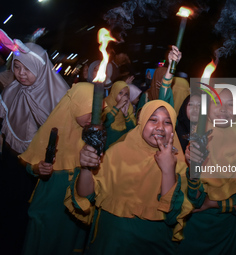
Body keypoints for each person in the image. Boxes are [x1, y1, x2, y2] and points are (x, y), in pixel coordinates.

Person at [70, 100, 192, 254]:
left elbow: (172, 215)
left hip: (153, 246)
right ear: (141, 122)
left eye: (167, 122)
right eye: (153, 120)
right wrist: (86, 167)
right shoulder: (116, 153)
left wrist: (168, 170)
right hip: (109, 243)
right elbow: (85, 195)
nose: (160, 127)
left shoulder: (178, 165)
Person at [0, 41, 69, 254]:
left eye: (28, 68)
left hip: (39, 167)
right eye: (18, 67)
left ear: (40, 67)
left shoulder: (59, 95)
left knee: (27, 213)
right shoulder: (13, 89)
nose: (21, 73)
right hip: (12, 161)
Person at [178, 88, 236, 254]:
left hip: (226, 234)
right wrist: (193, 168)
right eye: (216, 102)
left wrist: (213, 203)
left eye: (231, 104)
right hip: (190, 231)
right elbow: (186, 199)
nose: (224, 109)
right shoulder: (193, 141)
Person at [18, 82, 96, 255]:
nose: (92, 117)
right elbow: (28, 161)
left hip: (75, 208)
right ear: (75, 105)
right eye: (88, 110)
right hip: (49, 203)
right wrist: (39, 168)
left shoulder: (92, 134)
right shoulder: (53, 128)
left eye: (95, 112)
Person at [136, 46, 182, 113]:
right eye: (162, 79)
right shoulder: (146, 96)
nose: (163, 82)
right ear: (156, 79)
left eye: (165, 79)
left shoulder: (170, 95)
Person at [102, 81, 136, 149]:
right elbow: (105, 123)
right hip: (109, 145)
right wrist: (117, 107)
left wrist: (126, 115)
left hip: (123, 146)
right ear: (114, 92)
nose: (123, 96)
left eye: (126, 94)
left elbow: (132, 129)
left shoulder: (128, 107)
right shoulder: (105, 104)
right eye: (120, 93)